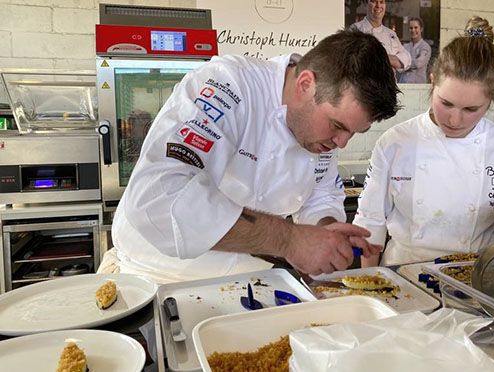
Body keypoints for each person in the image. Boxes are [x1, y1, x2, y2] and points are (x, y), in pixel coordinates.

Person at [104, 30, 401, 283]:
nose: (341, 143)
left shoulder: (321, 135)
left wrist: (324, 232)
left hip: (240, 273)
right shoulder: (228, 85)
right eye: (337, 126)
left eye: (352, 133)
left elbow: (319, 195)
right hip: (153, 272)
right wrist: (289, 240)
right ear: (305, 85)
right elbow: (158, 198)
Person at [353, 16, 494, 267]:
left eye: (471, 109)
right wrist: (370, 288)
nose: (455, 120)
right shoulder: (394, 143)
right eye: (446, 103)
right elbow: (370, 223)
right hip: (404, 274)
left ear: (491, 100)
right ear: (433, 78)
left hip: (478, 276)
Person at [350, 0, 411, 73]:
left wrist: (379, 58)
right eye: (374, 1)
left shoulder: (391, 34)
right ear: (366, 5)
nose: (378, 6)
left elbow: (407, 59)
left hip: (389, 83)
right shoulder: (355, 30)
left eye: (381, 2)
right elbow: (355, 61)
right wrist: (392, 60)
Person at [398, 17, 431, 84]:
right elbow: (399, 68)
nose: (413, 30)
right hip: (404, 85)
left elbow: (418, 63)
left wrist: (404, 63)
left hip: (418, 87)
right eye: (411, 28)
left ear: (421, 29)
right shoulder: (405, 47)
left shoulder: (425, 47)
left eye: (416, 27)